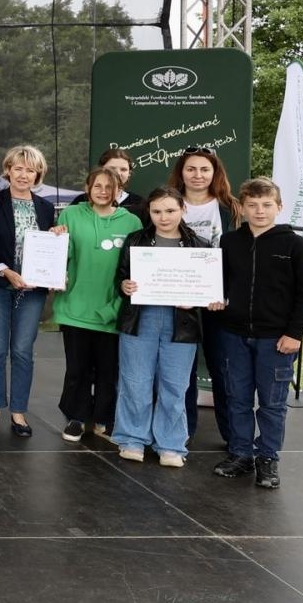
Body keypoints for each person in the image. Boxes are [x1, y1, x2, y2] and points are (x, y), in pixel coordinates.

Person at [212, 178, 303, 490]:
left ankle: (268, 458)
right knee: (238, 398)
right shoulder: (230, 243)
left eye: (266, 205)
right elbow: (219, 283)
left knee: (272, 403)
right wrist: (215, 299)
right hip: (233, 335)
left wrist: (294, 333)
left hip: (276, 339)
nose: (260, 211)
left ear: (279, 207)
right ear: (242, 208)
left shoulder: (295, 246)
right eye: (253, 205)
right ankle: (241, 454)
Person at [111, 186, 206, 467]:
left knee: (175, 386)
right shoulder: (135, 240)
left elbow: (208, 288)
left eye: (170, 210)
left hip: (182, 324)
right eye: (156, 211)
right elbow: (121, 277)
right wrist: (124, 285)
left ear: (182, 210)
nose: (163, 217)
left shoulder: (200, 245)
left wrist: (197, 300)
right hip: (141, 319)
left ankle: (171, 444)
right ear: (148, 212)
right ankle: (132, 439)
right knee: (135, 382)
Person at [52, 166, 142, 442]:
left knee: (108, 369)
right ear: (88, 188)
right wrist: (55, 242)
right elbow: (62, 259)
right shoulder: (70, 214)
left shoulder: (131, 222)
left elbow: (134, 268)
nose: (103, 191)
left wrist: (117, 304)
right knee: (77, 368)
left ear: (118, 190)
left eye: (109, 187)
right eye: (97, 186)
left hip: (112, 310)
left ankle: (104, 418)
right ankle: (76, 418)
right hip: (75, 308)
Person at [0, 145, 56, 437]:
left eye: (30, 170)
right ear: (8, 170)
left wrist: (57, 236)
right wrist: (6, 270)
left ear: (38, 174)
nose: (23, 174)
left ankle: (18, 411)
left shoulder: (46, 208)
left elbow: (50, 250)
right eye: (18, 168)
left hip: (32, 290)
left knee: (22, 350)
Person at [168, 146, 241, 446]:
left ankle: (234, 437)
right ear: (181, 172)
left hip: (216, 303)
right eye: (191, 169)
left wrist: (226, 295)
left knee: (223, 371)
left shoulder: (231, 208)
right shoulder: (166, 204)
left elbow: (238, 259)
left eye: (204, 169)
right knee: (180, 373)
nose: (197, 175)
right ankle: (182, 433)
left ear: (215, 173)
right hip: (177, 300)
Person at [70, 148, 146, 221]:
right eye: (112, 168)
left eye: (123, 169)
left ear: (129, 173)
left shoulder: (138, 203)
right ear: (101, 169)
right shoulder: (82, 200)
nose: (118, 173)